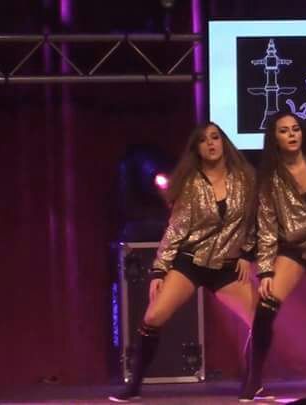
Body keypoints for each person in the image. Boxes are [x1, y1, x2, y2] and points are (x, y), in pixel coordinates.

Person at [110, 122, 258, 402]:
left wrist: (248, 254)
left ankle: (254, 382)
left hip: (226, 264)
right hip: (191, 262)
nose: (210, 143)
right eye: (203, 140)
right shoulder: (191, 183)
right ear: (197, 149)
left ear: (224, 142)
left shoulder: (245, 179)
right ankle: (133, 387)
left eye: (215, 137)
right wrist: (159, 271)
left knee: (261, 319)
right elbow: (175, 229)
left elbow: (253, 221)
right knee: (153, 317)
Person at [239, 112, 306, 400]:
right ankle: (254, 379)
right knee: (266, 307)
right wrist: (265, 270)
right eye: (284, 131)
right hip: (294, 248)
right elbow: (267, 226)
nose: (291, 135)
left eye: (295, 129)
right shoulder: (270, 178)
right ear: (275, 138)